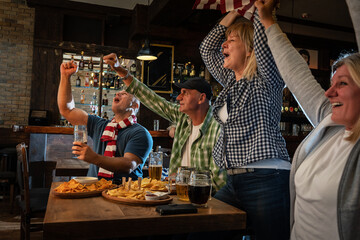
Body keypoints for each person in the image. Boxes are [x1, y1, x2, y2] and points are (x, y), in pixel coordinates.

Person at [256, 0, 360, 239]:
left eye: (342, 83)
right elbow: (295, 73)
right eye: (331, 83)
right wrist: (267, 19)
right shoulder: (329, 121)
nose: (329, 92)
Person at [199, 7, 291, 240]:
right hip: (235, 180)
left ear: (250, 50)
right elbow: (207, 48)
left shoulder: (266, 78)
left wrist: (259, 10)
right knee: (202, 230)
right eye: (226, 40)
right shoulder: (231, 82)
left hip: (267, 177)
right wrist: (233, 12)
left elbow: (262, 38)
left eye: (232, 40)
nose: (224, 45)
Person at [103, 53, 225, 190]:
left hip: (203, 200)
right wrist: (122, 71)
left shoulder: (219, 128)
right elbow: (154, 100)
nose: (178, 97)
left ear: (201, 98)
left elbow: (218, 182)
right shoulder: (183, 118)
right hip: (178, 194)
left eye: (185, 93)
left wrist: (181, 181)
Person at [58, 60, 153, 184]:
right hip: (94, 189)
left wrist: (95, 158)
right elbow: (66, 110)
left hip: (124, 195)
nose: (118, 92)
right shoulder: (100, 125)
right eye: (118, 92)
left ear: (135, 106)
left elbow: (128, 165)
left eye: (124, 94)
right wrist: (65, 76)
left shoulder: (140, 133)